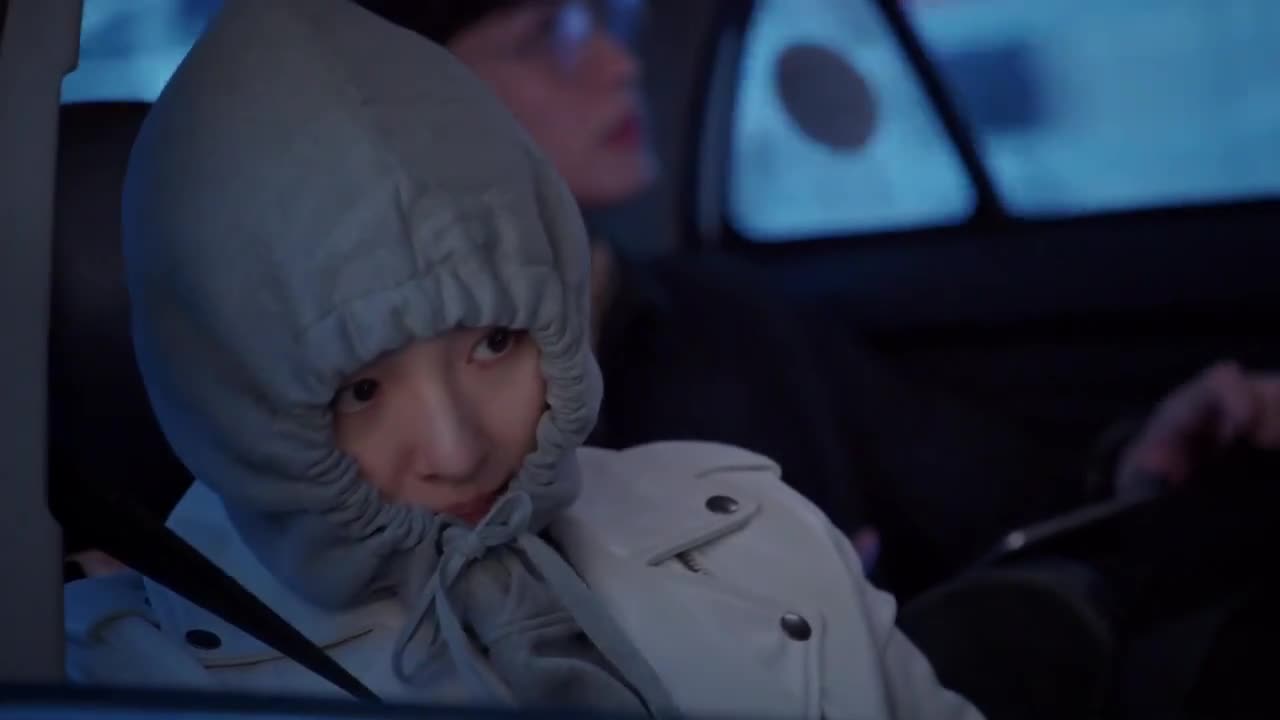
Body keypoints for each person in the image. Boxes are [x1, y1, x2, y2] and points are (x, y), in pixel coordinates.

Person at [63, 1, 984, 716]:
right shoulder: (119, 672)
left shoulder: (761, 525)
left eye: (496, 343)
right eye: (360, 390)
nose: (458, 450)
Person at [350, 0, 1280, 595]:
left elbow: (985, 497)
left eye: (604, 22)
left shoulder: (727, 314)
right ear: (400, 102)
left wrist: (1139, 464)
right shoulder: (377, 408)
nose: (619, 64)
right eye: (546, 36)